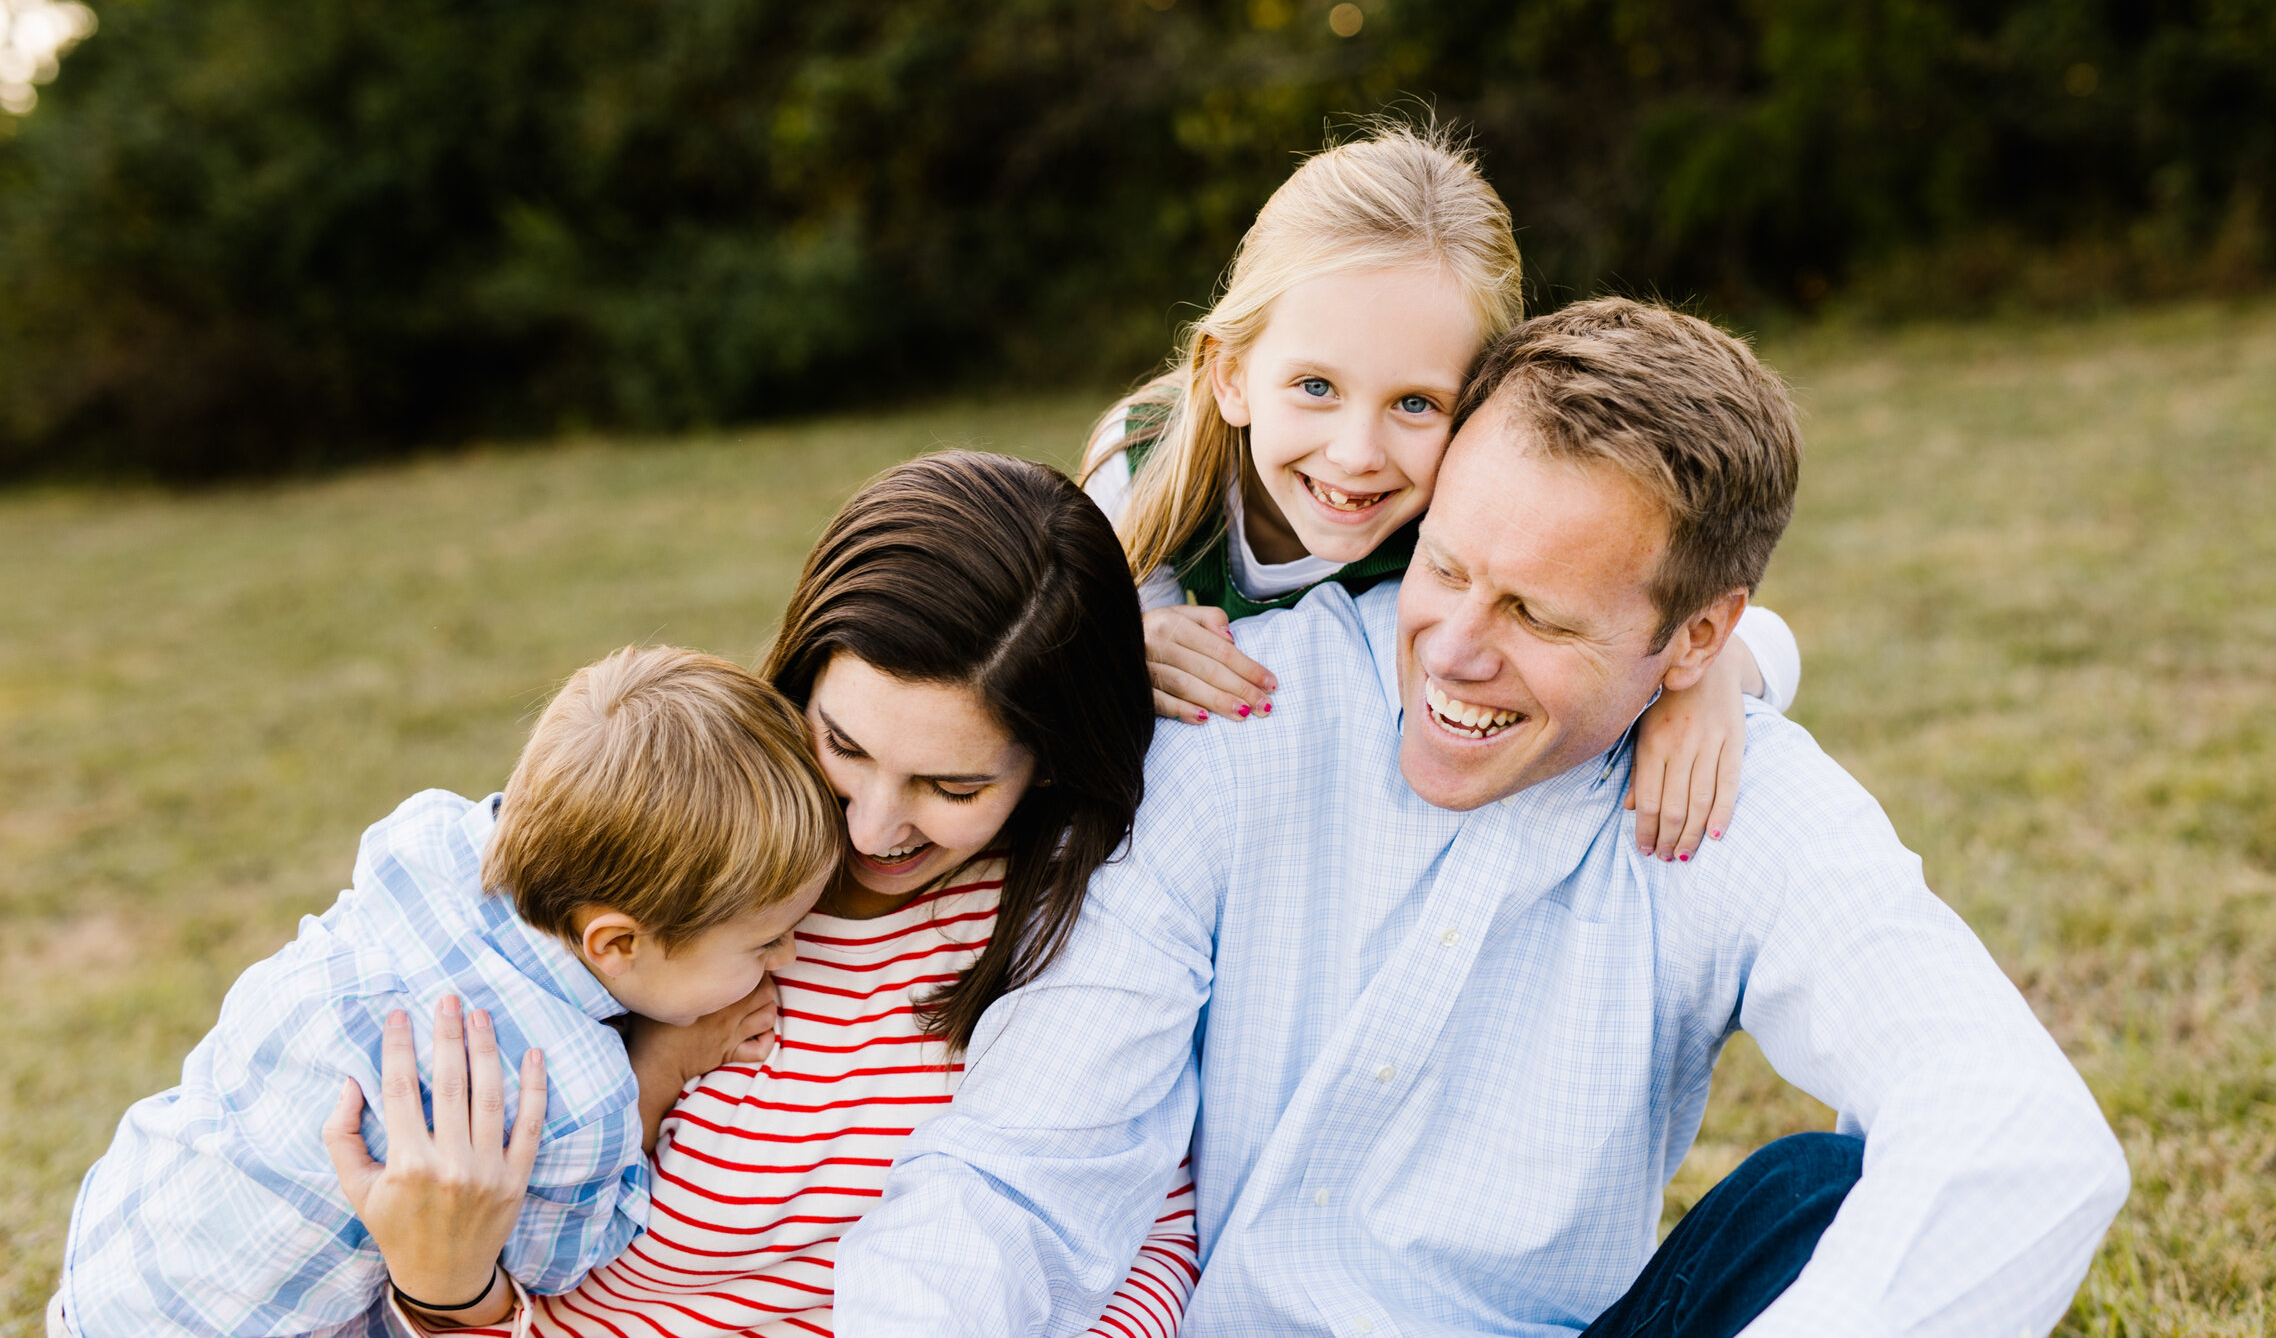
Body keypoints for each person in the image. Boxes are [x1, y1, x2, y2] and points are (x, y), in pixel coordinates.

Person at [836, 299, 2132, 1337]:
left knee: (1817, 1198)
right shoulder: (1242, 726)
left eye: (1539, 614)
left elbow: (2022, 1133)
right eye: (1444, 567)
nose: (1451, 650)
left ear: (1697, 638)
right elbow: (1028, 1172)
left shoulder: (1735, 796)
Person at [330, 452, 1199, 1338]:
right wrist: (442, 1293)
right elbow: (443, 1252)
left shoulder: (1071, 945)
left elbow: (1142, 1242)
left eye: (953, 787)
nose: (869, 830)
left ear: (1047, 762)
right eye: (845, 746)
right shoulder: (679, 855)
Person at [52, 648, 844, 1337]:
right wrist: (659, 1070)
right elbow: (562, 1259)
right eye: (764, 940)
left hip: (119, 1254)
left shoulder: (425, 839)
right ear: (615, 942)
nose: (789, 953)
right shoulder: (576, 1092)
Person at [1083, 120, 1799, 863]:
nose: (1356, 454)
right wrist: (1119, 651)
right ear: (1231, 375)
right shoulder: (1144, 470)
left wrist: (1707, 677)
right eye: (1316, 386)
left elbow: (1747, 628)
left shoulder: (1460, 517)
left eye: (1416, 402)